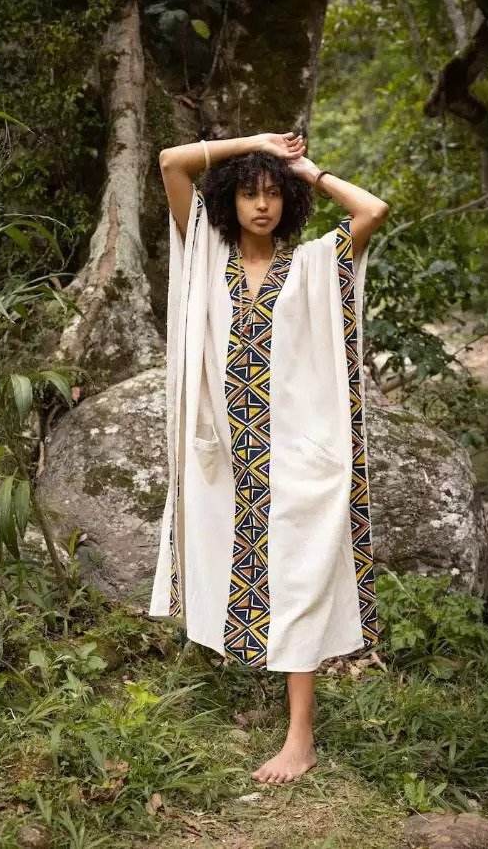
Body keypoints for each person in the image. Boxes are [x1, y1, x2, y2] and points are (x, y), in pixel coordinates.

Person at [150, 132, 389, 785]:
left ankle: (300, 736)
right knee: (242, 574)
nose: (262, 205)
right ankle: (272, 707)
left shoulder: (312, 264)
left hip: (298, 456)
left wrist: (307, 170)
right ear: (230, 200)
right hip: (227, 460)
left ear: (289, 202)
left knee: (300, 579)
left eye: (273, 193)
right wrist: (256, 143)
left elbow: (371, 210)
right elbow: (171, 162)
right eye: (250, 192)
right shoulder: (206, 254)